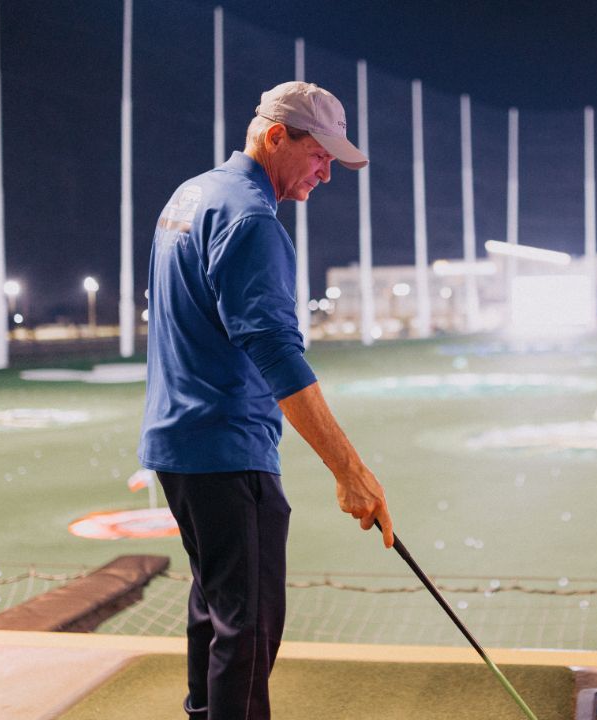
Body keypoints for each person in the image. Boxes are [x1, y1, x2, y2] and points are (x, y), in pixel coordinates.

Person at [138, 81, 393, 720]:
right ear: (276, 136)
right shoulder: (252, 219)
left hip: (177, 444)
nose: (326, 174)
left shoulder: (191, 196)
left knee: (218, 610)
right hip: (226, 450)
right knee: (248, 629)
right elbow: (278, 356)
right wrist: (351, 472)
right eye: (319, 155)